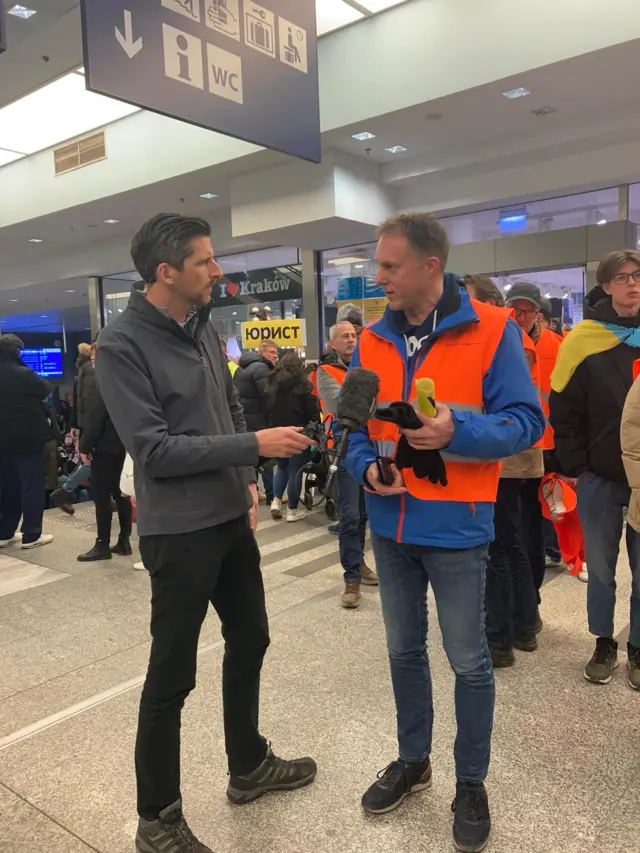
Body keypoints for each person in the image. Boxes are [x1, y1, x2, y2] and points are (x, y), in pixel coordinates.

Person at [96, 213, 317, 853]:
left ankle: (247, 765)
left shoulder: (203, 328)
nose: (218, 271)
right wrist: (253, 444)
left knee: (250, 637)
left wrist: (246, 477)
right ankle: (156, 818)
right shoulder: (121, 345)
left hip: (228, 517)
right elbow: (156, 450)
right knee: (172, 675)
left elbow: (226, 407)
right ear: (166, 273)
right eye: (205, 261)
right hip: (179, 532)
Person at [345, 213, 543, 853]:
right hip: (390, 526)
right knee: (404, 651)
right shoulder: (371, 340)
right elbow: (349, 428)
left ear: (430, 266)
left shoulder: (492, 330)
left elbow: (526, 422)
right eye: (378, 265)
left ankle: (471, 780)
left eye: (389, 267)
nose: (379, 279)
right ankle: (413, 760)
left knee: (468, 660)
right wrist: (366, 470)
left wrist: (458, 431)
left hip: (458, 527)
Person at [550, 249, 640, 688]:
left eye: (638, 276)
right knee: (601, 568)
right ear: (606, 286)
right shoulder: (583, 339)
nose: (633, 284)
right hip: (599, 477)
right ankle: (604, 641)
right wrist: (578, 468)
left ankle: (638, 646)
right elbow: (563, 409)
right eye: (622, 277)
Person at [467, 280, 543, 667]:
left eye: (471, 300)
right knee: (513, 541)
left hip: (507, 457)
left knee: (499, 545)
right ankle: (525, 623)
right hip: (518, 456)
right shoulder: (518, 337)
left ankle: (500, 637)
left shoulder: (501, 335)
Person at [506, 283, 561, 603]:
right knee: (515, 522)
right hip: (514, 446)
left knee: (537, 522)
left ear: (538, 313)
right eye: (517, 309)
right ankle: (522, 597)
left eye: (528, 310)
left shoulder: (557, 344)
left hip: (548, 446)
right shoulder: (503, 341)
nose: (522, 315)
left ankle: (532, 595)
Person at [317, 321, 378, 608]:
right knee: (350, 517)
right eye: (345, 336)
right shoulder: (325, 372)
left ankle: (360, 563)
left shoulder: (370, 365)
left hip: (371, 448)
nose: (352, 340)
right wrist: (364, 393)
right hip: (342, 452)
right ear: (333, 344)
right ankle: (351, 578)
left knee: (364, 514)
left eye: (354, 335)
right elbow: (336, 404)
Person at [0, 334, 54, 550]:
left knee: (7, 487)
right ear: (17, 352)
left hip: (2, 443)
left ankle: (4, 532)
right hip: (28, 441)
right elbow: (45, 389)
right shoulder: (24, 373)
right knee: (31, 486)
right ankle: (31, 534)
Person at [76, 367, 133, 562]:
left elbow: (95, 418)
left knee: (101, 497)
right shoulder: (129, 378)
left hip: (105, 447)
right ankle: (124, 541)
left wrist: (84, 446)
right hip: (125, 445)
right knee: (121, 493)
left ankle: (102, 544)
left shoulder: (102, 382)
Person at [266, 351, 320, 523]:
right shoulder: (305, 386)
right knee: (295, 472)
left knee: (281, 468)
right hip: (298, 432)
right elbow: (313, 413)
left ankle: (275, 502)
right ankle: (292, 511)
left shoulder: (272, 385)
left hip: (277, 431)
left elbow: (267, 409)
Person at [234, 340, 278, 504]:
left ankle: (253, 491)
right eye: (272, 353)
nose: (275, 356)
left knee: (252, 457)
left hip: (246, 418)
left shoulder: (243, 367)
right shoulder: (261, 369)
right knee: (266, 457)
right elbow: (269, 396)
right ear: (262, 352)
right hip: (259, 418)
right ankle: (272, 495)